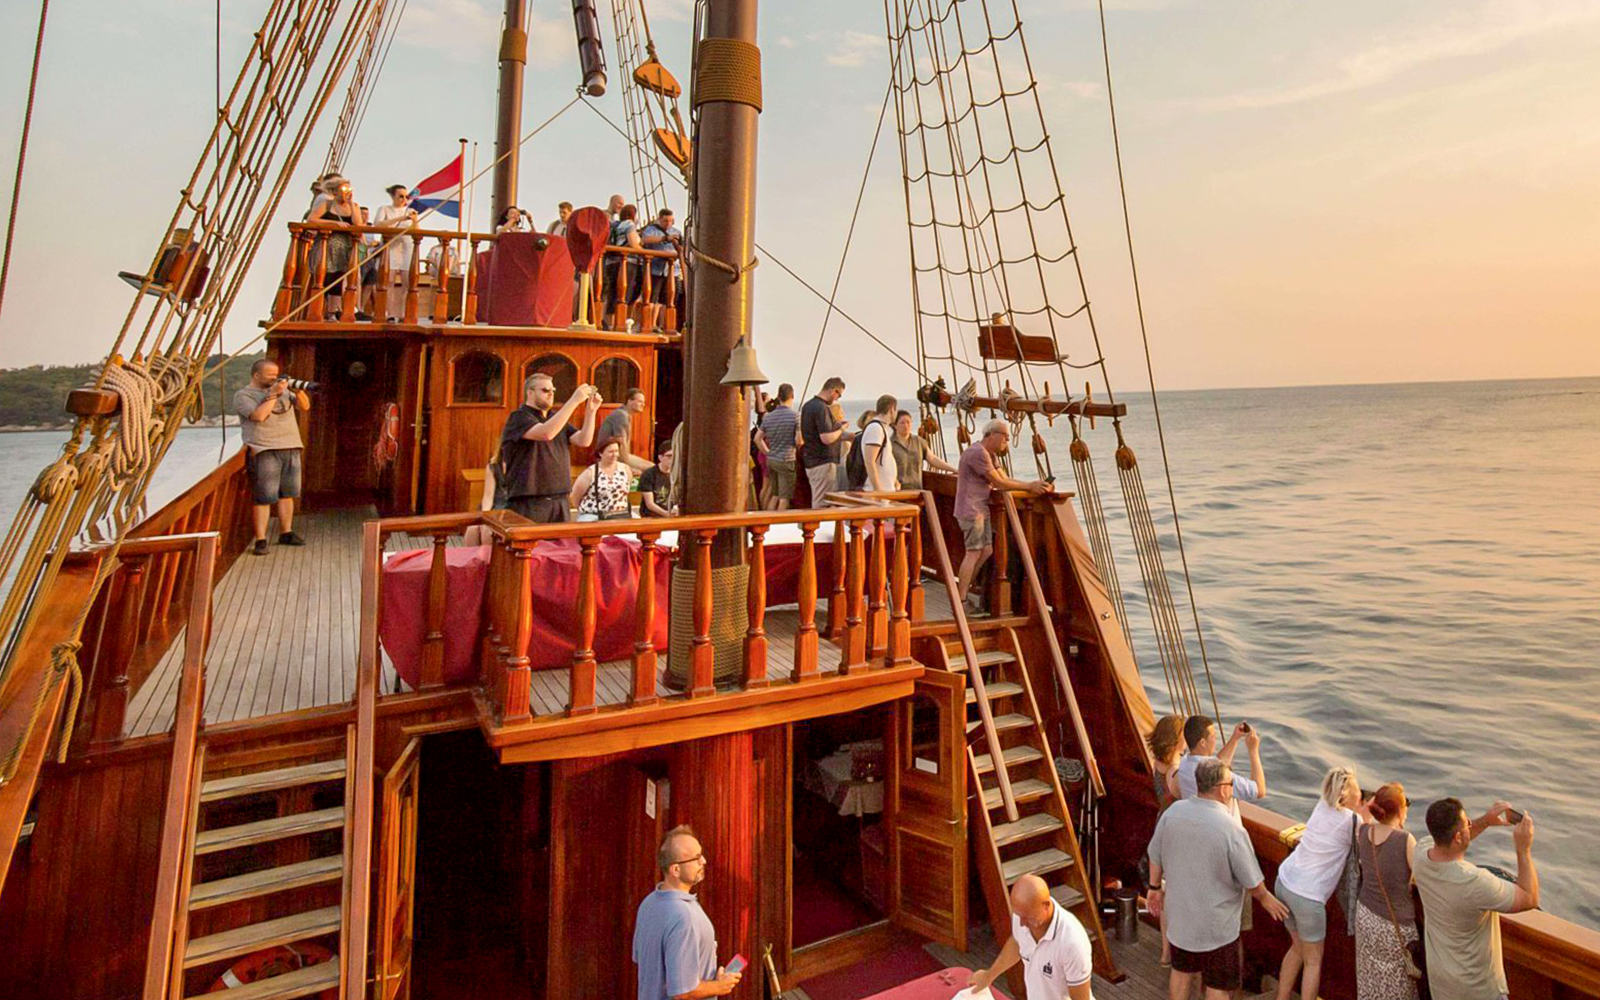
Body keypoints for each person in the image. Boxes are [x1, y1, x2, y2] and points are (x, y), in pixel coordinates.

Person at [1148, 758, 1290, 1000]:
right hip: (1217, 929)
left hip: (1181, 920)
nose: (1232, 788)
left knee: (1181, 973)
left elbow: (1155, 854)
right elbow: (1252, 881)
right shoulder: (1231, 829)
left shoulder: (1173, 813)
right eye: (1232, 783)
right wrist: (1267, 900)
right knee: (1218, 984)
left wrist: (1153, 888)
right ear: (1222, 788)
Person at [1413, 798, 1538, 1000]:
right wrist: (1524, 849)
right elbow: (1529, 897)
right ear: (1458, 836)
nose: (1471, 825)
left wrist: (1485, 821)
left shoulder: (1420, 855)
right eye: (1467, 824)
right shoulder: (1474, 881)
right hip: (1478, 991)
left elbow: (1454, 839)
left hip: (1442, 985)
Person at [1275, 767, 1370, 1000]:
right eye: (1358, 791)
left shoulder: (1321, 806)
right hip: (1308, 896)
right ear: (1345, 795)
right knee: (1313, 961)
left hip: (1284, 881)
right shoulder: (1351, 821)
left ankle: (1282, 997)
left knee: (1297, 947)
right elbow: (1370, 841)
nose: (1361, 795)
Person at [632, 826, 741, 1000]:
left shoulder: (648, 903)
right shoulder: (683, 917)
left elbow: (642, 960)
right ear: (675, 870)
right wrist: (720, 986)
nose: (704, 861)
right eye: (696, 858)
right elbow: (682, 992)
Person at [953, 419, 1049, 613]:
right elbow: (998, 483)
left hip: (980, 509)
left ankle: (962, 591)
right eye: (1005, 437)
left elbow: (1004, 478)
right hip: (971, 510)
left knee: (986, 550)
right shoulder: (977, 453)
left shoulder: (990, 455)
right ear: (992, 435)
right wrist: (1030, 486)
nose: (1007, 441)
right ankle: (960, 601)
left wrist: (1036, 485)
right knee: (973, 552)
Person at [969, 873, 1094, 1000]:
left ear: (1046, 905)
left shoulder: (1073, 945)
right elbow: (1017, 943)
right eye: (1019, 916)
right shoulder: (1023, 914)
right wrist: (988, 976)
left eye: (1028, 918)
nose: (1022, 924)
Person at [498, 373, 601, 522]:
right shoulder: (519, 417)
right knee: (531, 545)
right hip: (530, 501)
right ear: (530, 392)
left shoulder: (555, 418)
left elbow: (583, 440)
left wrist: (591, 411)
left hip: (559, 498)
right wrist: (573, 401)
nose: (551, 394)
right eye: (546, 390)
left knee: (561, 545)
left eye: (553, 391)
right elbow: (546, 433)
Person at [233, 359, 311, 556]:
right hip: (264, 449)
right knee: (264, 497)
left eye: (277, 374)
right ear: (257, 375)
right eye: (270, 375)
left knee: (288, 494)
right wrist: (273, 394)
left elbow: (305, 407)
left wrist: (298, 389)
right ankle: (261, 539)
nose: (275, 378)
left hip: (290, 446)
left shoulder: (285, 391)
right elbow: (259, 416)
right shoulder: (244, 395)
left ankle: (286, 532)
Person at [1356, 783, 1419, 1000]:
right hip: (1394, 925)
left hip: (1365, 916)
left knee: (1370, 978)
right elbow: (1419, 876)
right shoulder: (1405, 840)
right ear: (1401, 811)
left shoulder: (1363, 831)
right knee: (1398, 985)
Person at [1146, 713, 1186, 966]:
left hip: (1161, 823)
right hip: (1176, 832)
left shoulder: (1158, 766)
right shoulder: (1175, 773)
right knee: (1175, 894)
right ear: (1175, 741)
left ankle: (1165, 952)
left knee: (1163, 891)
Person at [306, 177, 372, 320]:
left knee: (340, 276)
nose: (346, 192)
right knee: (326, 276)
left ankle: (334, 310)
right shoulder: (327, 204)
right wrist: (334, 223)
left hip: (345, 246)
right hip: (328, 245)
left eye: (348, 189)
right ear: (335, 191)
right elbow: (311, 219)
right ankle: (325, 311)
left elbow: (358, 225)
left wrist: (352, 205)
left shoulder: (353, 206)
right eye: (343, 190)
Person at [1174, 716, 1268, 808]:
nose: (1216, 739)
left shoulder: (1184, 763)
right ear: (1202, 743)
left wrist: (1235, 738)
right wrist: (1253, 751)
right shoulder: (1218, 777)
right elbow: (1259, 790)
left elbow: (1217, 764)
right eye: (1214, 736)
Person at [800, 377, 849, 506]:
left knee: (819, 498)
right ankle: (818, 526)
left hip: (811, 460)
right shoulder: (821, 408)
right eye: (839, 394)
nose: (837, 398)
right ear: (833, 390)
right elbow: (826, 438)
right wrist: (841, 430)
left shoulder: (808, 406)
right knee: (822, 502)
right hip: (822, 461)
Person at [755, 383, 799, 510]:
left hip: (772, 459)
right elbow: (799, 441)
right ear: (792, 396)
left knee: (774, 495)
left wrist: (768, 452)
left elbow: (757, 438)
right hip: (787, 459)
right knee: (784, 498)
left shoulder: (769, 417)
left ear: (778, 397)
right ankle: (779, 525)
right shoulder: (795, 416)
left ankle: (767, 521)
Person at [890, 409, 955, 491]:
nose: (906, 426)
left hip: (917, 489)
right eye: (902, 423)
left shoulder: (919, 441)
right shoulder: (889, 445)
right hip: (897, 490)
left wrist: (954, 470)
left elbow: (932, 459)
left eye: (908, 422)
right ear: (895, 425)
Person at [639, 208, 683, 325]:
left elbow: (682, 248)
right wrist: (664, 238)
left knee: (667, 299)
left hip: (672, 270)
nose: (668, 223)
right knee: (652, 297)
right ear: (659, 220)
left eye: (670, 221)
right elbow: (645, 240)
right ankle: (650, 324)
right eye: (665, 221)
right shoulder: (651, 230)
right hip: (655, 269)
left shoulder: (677, 232)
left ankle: (664, 325)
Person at [571, 437, 633, 521]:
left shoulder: (625, 469)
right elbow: (575, 497)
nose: (614, 454)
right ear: (600, 453)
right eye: (610, 452)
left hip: (620, 514)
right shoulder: (590, 473)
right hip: (594, 515)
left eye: (616, 451)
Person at [604, 204, 643, 327]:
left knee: (612, 292)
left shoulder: (613, 225)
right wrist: (642, 250)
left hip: (611, 262)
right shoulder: (629, 225)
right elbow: (632, 243)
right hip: (627, 262)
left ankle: (609, 322)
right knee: (624, 293)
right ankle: (620, 324)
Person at [599, 387, 653, 473]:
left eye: (643, 402)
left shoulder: (625, 414)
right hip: (608, 455)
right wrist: (626, 467)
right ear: (629, 401)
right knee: (649, 470)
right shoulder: (621, 415)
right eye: (640, 402)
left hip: (619, 455)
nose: (643, 404)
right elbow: (621, 442)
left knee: (652, 467)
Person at [857, 395, 900, 492]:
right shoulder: (875, 429)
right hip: (877, 490)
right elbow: (869, 461)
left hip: (886, 488)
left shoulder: (881, 428)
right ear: (892, 409)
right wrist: (878, 489)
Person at [638, 441, 676, 517]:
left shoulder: (677, 474)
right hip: (652, 516)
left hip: (672, 514)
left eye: (675, 456)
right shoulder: (649, 474)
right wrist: (666, 514)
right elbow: (650, 504)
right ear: (660, 457)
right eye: (669, 456)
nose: (672, 459)